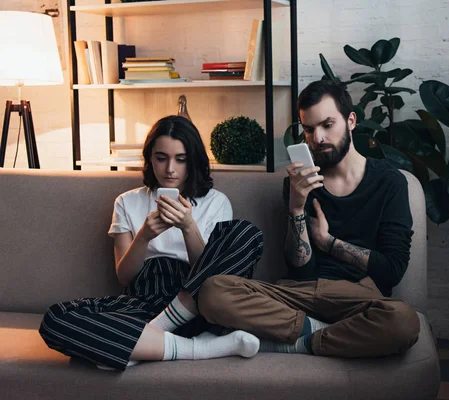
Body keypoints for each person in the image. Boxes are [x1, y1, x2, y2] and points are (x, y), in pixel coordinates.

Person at [195, 80, 420, 358]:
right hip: (297, 295)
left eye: (328, 125)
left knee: (404, 321)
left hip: (357, 298)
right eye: (309, 129)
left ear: (351, 121)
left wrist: (328, 242)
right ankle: (324, 334)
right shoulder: (299, 183)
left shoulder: (390, 182)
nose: (318, 138)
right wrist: (297, 208)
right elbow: (300, 269)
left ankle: (299, 342)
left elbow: (392, 270)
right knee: (212, 291)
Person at [39, 115, 264, 371]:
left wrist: (188, 226)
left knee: (247, 234)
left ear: (194, 161)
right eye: (161, 158)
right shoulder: (127, 202)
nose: (170, 169)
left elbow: (215, 277)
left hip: (195, 300)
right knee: (55, 319)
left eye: (181, 159)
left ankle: (140, 340)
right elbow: (125, 277)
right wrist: (144, 236)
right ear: (149, 158)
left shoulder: (216, 202)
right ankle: (197, 347)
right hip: (142, 299)